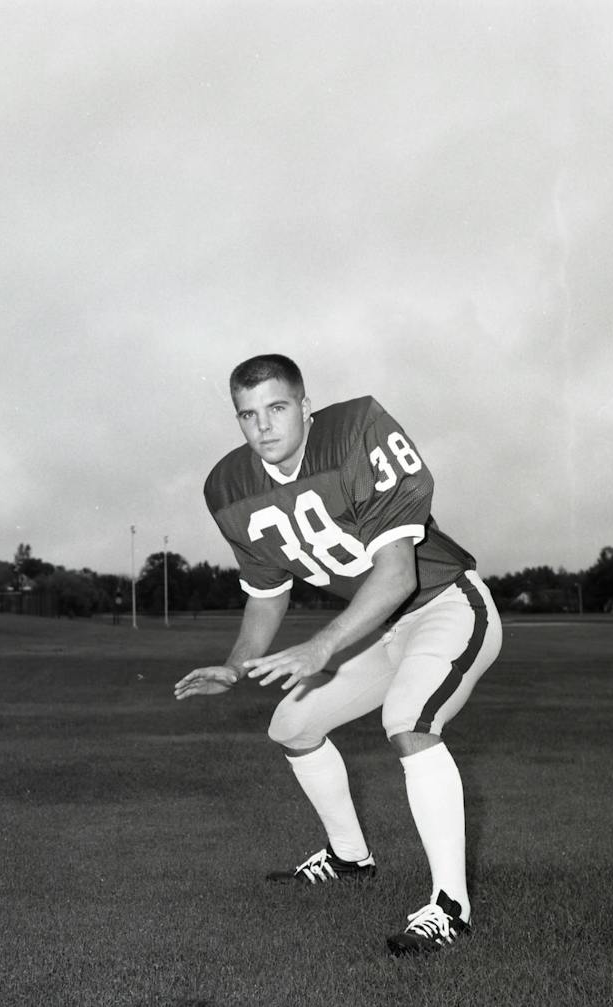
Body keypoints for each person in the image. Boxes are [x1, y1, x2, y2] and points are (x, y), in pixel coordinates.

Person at [173, 354, 502, 956]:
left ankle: (450, 906)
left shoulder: (355, 434)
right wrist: (237, 664)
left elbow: (398, 575)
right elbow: (266, 596)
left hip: (444, 604)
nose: (263, 427)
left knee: (408, 721)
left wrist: (322, 644)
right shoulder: (230, 488)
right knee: (293, 725)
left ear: (304, 405)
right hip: (375, 631)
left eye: (276, 408)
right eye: (247, 415)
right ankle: (351, 858)